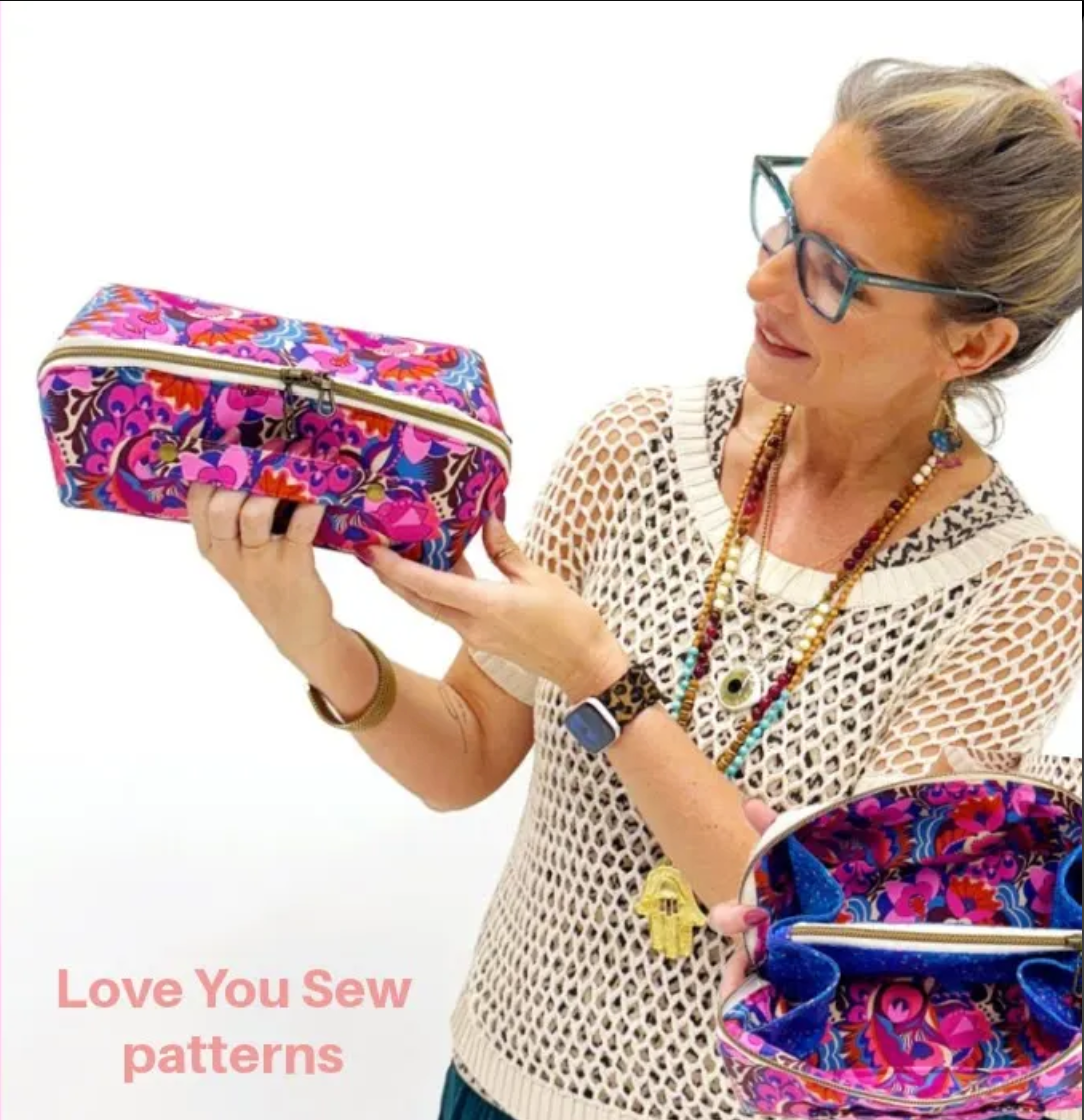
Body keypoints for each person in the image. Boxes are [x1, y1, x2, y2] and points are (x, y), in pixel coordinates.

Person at [186, 58, 1083, 1120]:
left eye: (832, 272)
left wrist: (599, 677)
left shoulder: (1021, 589)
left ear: (970, 343)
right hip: (493, 1080)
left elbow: (820, 927)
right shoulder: (638, 446)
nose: (763, 284)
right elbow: (465, 754)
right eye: (781, 227)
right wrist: (310, 633)